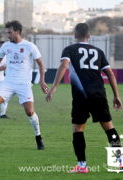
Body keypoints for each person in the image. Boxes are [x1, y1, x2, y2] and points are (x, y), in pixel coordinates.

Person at [46, 23, 122, 173]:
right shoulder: (98, 51)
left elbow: (63, 66)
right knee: (109, 128)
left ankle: (82, 165)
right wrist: (116, 95)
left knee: (78, 129)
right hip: (99, 94)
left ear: (75, 35)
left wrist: (54, 87)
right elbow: (110, 74)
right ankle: (120, 162)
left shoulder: (70, 50)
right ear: (89, 36)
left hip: (81, 96)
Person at [0, 20, 49, 150]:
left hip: (24, 84)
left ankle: (38, 137)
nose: (8, 35)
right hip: (8, 82)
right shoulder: (6, 46)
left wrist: (42, 81)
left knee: (30, 112)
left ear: (17, 32)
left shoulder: (30, 46)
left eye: (10, 32)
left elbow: (41, 64)